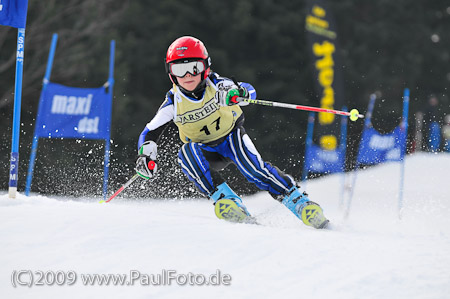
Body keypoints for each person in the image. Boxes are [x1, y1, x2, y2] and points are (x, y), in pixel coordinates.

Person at [135, 36, 329, 229]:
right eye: (179, 69)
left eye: (194, 67)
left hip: (231, 138)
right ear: (171, 74)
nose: (187, 75)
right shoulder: (173, 103)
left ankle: (299, 202)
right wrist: (145, 155)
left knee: (253, 169)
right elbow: (149, 132)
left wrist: (237, 95)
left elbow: (247, 90)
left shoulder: (217, 85)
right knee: (186, 154)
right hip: (207, 151)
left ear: (205, 67)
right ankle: (226, 200)